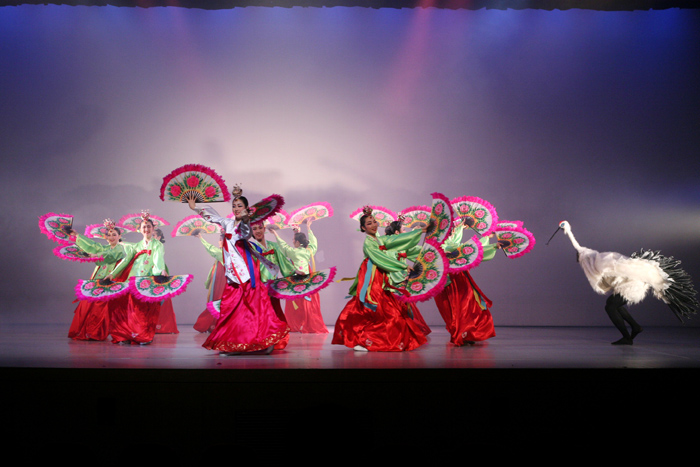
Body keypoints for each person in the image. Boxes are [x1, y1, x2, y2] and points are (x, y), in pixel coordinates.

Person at [186, 187, 289, 355]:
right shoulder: (227, 223)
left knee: (251, 303)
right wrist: (195, 207)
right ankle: (234, 342)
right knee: (232, 304)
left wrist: (247, 219)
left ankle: (262, 340)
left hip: (245, 267)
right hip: (232, 268)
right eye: (234, 205)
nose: (236, 208)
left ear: (246, 209)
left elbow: (246, 233)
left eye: (239, 205)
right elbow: (212, 216)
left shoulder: (245, 224)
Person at [332, 207, 429, 351]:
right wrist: (401, 266)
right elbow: (380, 257)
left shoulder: (379, 239)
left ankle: (369, 339)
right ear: (363, 228)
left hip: (381, 275)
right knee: (372, 307)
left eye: (374, 222)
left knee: (386, 310)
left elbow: (397, 239)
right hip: (371, 276)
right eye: (369, 223)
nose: (373, 225)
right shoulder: (369, 242)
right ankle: (363, 340)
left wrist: (419, 231)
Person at [434, 221, 499, 346]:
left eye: (453, 229)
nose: (453, 231)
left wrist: (490, 242)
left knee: (468, 306)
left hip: (460, 278)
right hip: (446, 281)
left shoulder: (454, 242)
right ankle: (460, 333)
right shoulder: (438, 243)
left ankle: (467, 333)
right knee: (453, 308)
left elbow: (473, 250)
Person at [108, 211, 166, 345]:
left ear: (153, 229)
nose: (146, 229)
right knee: (131, 309)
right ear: (140, 230)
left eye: (149, 226)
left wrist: (160, 271)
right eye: (144, 227)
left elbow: (158, 260)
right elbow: (125, 260)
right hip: (133, 279)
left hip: (147, 280)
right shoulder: (136, 246)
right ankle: (127, 334)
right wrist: (114, 273)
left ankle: (142, 336)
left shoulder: (157, 245)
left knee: (143, 310)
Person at [67, 220, 129, 341]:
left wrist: (94, 255)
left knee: (101, 308)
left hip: (111, 280)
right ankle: (87, 332)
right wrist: (77, 236)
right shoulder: (104, 247)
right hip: (98, 278)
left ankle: (97, 333)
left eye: (114, 235)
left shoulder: (120, 249)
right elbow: (93, 246)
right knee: (89, 304)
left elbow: (109, 255)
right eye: (109, 235)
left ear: (120, 236)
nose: (111, 237)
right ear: (105, 237)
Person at [270, 220, 328, 333]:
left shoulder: (293, 252)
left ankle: (296, 324)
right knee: (306, 303)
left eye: (293, 240)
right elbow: (313, 242)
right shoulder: (308, 251)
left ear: (297, 242)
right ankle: (305, 323)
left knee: (294, 303)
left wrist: (275, 234)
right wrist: (308, 227)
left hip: (296, 278)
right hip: (307, 278)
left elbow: (284, 247)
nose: (292, 242)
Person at [383, 219, 431, 335]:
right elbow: (390, 263)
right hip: (393, 280)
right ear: (396, 233)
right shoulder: (389, 244)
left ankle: (407, 330)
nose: (406, 231)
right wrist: (403, 274)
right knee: (394, 308)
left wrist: (429, 249)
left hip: (402, 279)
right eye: (404, 229)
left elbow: (417, 252)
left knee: (405, 305)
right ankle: (396, 331)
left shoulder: (404, 245)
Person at [192, 231, 225, 333]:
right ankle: (215, 324)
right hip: (219, 279)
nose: (219, 241)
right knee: (216, 301)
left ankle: (214, 324)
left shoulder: (223, 253)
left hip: (222, 280)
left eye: (220, 239)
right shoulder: (223, 252)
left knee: (217, 300)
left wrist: (201, 238)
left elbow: (211, 249)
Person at [153, 228, 179, 334]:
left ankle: (163, 325)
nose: (152, 237)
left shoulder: (159, 246)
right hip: (151, 270)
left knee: (161, 299)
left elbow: (159, 260)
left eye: (154, 235)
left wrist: (161, 270)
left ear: (159, 237)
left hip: (159, 270)